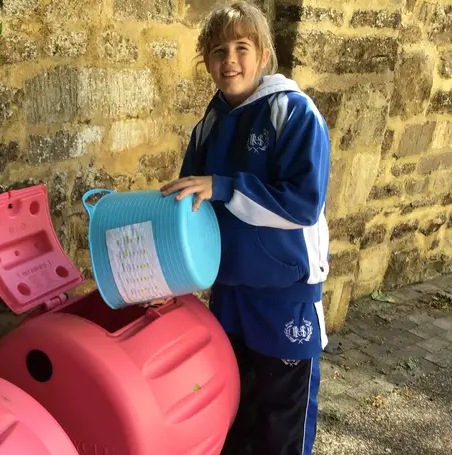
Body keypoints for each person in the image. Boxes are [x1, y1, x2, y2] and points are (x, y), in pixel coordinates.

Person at [159, 3, 332, 455]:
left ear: (264, 54)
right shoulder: (209, 125)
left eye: (241, 48)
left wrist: (225, 186)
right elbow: (189, 212)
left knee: (280, 427)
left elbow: (303, 205)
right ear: (206, 61)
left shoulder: (294, 113)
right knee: (231, 413)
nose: (229, 60)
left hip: (283, 297)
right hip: (229, 295)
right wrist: (169, 275)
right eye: (218, 50)